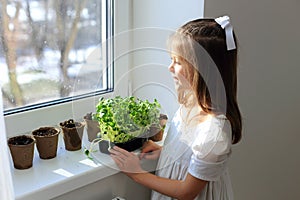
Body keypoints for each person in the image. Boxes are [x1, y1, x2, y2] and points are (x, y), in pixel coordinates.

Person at [109, 15, 242, 200]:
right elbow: (190, 155)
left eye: (178, 62)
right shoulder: (190, 104)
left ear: (202, 70)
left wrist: (137, 174)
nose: (170, 67)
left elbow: (186, 192)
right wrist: (167, 153)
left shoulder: (214, 133)